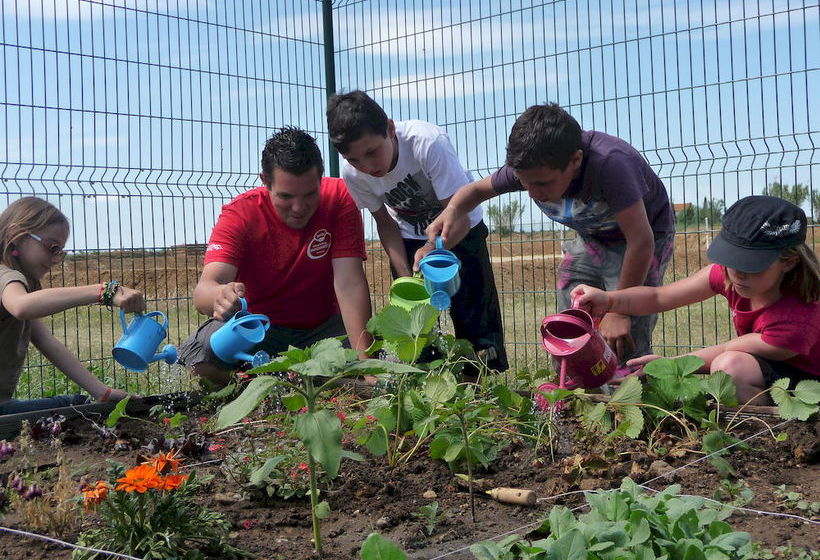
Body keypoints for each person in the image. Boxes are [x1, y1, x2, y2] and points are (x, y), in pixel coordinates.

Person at [423, 103, 675, 363]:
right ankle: (570, 393)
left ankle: (627, 396)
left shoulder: (611, 164)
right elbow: (475, 191)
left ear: (576, 160)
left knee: (622, 332)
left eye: (542, 183)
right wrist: (451, 211)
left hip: (643, 240)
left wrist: (620, 310)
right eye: (524, 182)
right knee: (569, 325)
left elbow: (640, 240)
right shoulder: (533, 167)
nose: (532, 192)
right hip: (592, 238)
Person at [326, 90, 508, 375]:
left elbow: (457, 214)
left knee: (474, 316)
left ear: (389, 129)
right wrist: (404, 275)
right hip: (409, 238)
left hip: (463, 230)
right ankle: (424, 383)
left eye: (372, 152)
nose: (368, 167)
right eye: (355, 159)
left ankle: (479, 385)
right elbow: (385, 223)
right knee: (414, 326)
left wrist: (434, 248)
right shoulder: (353, 174)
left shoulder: (427, 142)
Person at [572, 196, 819, 405]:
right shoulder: (729, 275)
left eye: (751, 265)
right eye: (733, 260)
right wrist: (610, 300)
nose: (739, 273)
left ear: (788, 262)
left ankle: (784, 424)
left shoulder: (798, 318)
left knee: (730, 367)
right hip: (772, 367)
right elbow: (660, 297)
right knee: (731, 367)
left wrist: (669, 366)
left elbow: (730, 349)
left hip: (809, 383)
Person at [178, 127, 373, 386]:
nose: (299, 208)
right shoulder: (241, 214)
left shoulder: (338, 198)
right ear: (265, 181)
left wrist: (367, 365)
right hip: (259, 330)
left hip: (323, 329)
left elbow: (349, 282)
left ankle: (277, 380)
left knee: (364, 356)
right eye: (285, 196)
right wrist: (220, 295)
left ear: (321, 179)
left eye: (310, 194)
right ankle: (261, 383)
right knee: (201, 358)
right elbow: (204, 290)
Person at [0, 197, 144, 414]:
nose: (57, 259)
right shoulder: (6, 277)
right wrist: (104, 291)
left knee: (75, 406)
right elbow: (22, 305)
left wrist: (102, 392)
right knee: (76, 411)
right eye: (52, 247)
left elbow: (49, 344)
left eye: (61, 251)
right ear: (15, 235)